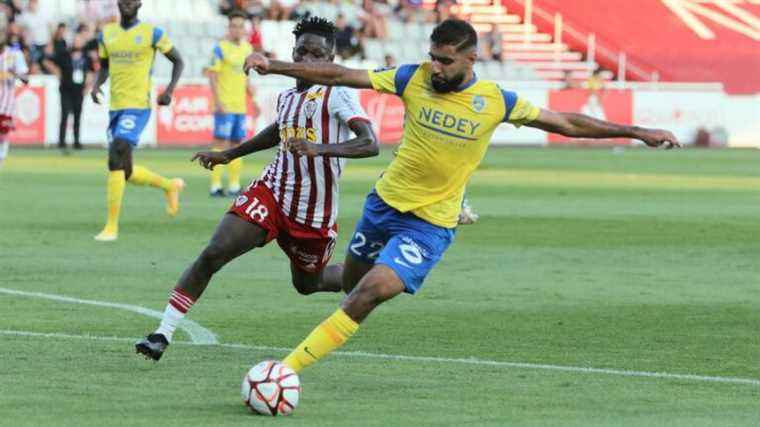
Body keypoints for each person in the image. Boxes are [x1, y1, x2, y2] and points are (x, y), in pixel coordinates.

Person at [241, 18, 680, 375]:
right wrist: (274, 66)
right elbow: (339, 74)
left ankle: (285, 370)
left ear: (472, 58)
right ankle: (313, 283)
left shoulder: (495, 100)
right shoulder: (410, 77)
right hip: (383, 206)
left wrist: (638, 132)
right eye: (433, 58)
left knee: (368, 293)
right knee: (352, 282)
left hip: (429, 224)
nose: (436, 68)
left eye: (446, 61)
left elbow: (566, 122)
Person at [135, 17, 379, 361]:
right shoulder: (286, 96)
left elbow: (370, 143)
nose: (307, 60)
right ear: (292, 53)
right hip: (272, 192)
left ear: (331, 58)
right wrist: (228, 154)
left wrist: (319, 148)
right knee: (214, 252)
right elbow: (277, 131)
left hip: (313, 212)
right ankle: (162, 332)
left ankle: (366, 273)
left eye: (317, 54)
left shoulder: (337, 94)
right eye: (302, 52)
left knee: (308, 284)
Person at [91, 0, 185, 241]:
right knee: (126, 170)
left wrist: (169, 90)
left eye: (131, 1)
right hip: (116, 107)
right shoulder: (107, 34)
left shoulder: (152, 33)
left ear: (139, 4)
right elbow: (104, 66)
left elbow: (178, 60)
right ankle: (169, 185)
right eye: (123, 1)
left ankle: (111, 227)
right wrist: (96, 86)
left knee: (117, 150)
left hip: (138, 106)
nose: (127, 4)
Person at [207, 10, 254, 197]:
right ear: (229, 28)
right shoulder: (220, 48)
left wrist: (254, 100)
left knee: (237, 144)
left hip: (240, 106)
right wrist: (217, 102)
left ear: (245, 29)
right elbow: (212, 75)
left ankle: (234, 185)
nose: (237, 29)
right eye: (233, 26)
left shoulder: (247, 49)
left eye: (240, 26)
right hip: (224, 105)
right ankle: (215, 185)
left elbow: (246, 78)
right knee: (220, 143)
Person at [45, 31, 94, 152]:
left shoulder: (86, 57)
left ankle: (76, 141)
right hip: (66, 88)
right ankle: (61, 142)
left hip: (79, 89)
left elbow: (90, 72)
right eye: (75, 39)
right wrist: (57, 72)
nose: (77, 42)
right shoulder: (64, 54)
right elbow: (47, 61)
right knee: (65, 114)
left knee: (78, 115)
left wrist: (88, 86)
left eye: (79, 40)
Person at [0, 29, 29, 169]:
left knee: (2, 133)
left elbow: (26, 79)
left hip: (5, 103)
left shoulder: (14, 55)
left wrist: (15, 73)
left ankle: (2, 158)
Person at [16, 0, 51, 73]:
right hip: (31, 44)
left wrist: (50, 44)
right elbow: (21, 30)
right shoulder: (25, 15)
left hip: (43, 43)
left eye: (34, 2)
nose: (32, 4)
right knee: (33, 64)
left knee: (45, 63)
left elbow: (49, 28)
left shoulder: (44, 12)